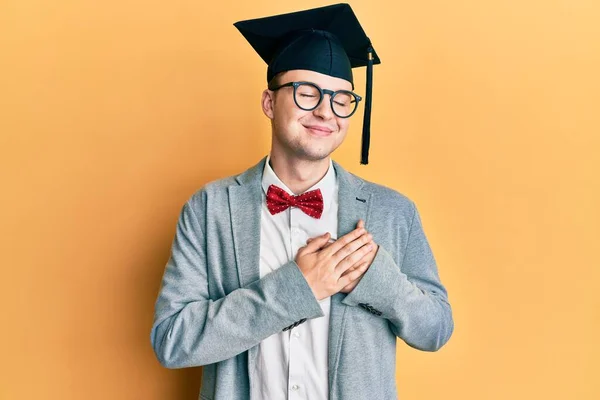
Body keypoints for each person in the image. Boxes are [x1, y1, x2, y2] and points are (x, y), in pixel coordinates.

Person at [151, 4, 453, 400]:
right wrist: (298, 287)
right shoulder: (209, 209)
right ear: (269, 103)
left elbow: (436, 330)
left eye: (342, 98)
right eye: (306, 93)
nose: (326, 111)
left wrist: (378, 278)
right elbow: (172, 340)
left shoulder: (393, 211)